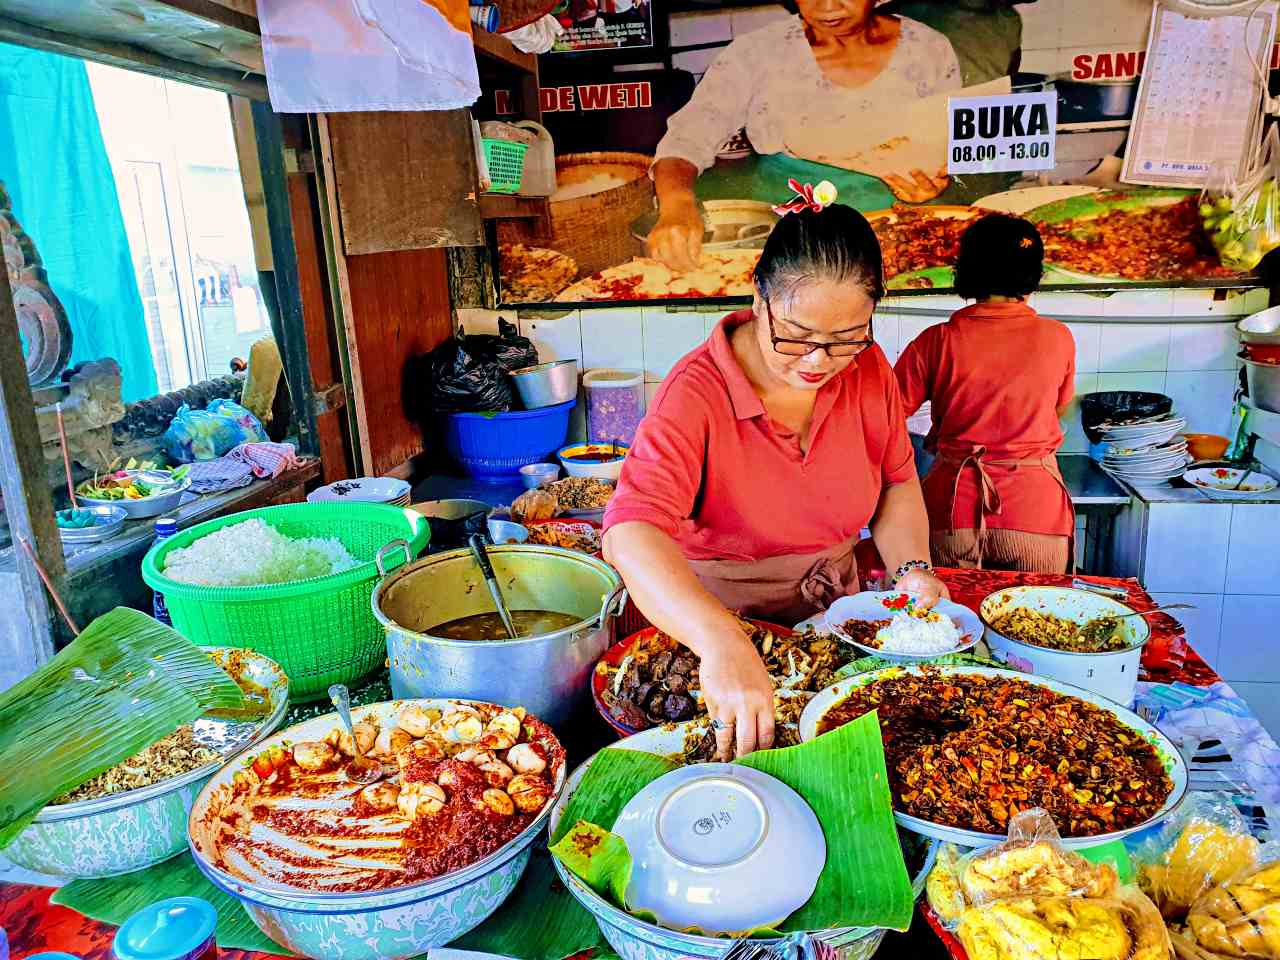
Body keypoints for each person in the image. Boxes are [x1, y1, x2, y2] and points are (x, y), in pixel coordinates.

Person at [603, 198, 948, 761]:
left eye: (845, 338)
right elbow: (630, 529)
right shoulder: (697, 392)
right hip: (704, 644)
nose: (817, 360)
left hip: (830, 625)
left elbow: (896, 482)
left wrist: (912, 571)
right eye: (796, 334)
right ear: (758, 299)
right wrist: (719, 639)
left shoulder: (868, 370)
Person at [647, 0, 961, 272]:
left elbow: (944, 149)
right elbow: (686, 138)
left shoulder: (927, 49)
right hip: (786, 240)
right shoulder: (757, 53)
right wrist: (677, 204)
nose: (827, 7)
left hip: (894, 237)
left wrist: (931, 184)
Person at [894, 213, 1075, 572]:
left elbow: (885, 417)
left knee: (947, 626)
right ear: (1035, 274)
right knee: (1037, 622)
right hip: (1035, 515)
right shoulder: (1058, 338)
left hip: (952, 509)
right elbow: (1061, 409)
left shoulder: (936, 341)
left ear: (966, 271)